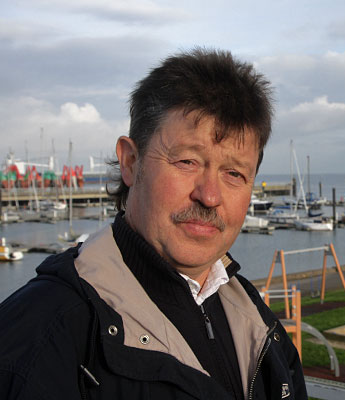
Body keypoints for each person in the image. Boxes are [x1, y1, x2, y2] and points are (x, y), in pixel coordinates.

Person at [0, 48, 307, 400]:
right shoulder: (39, 339)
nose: (209, 196)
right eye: (187, 161)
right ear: (131, 162)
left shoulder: (259, 325)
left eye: (234, 173)